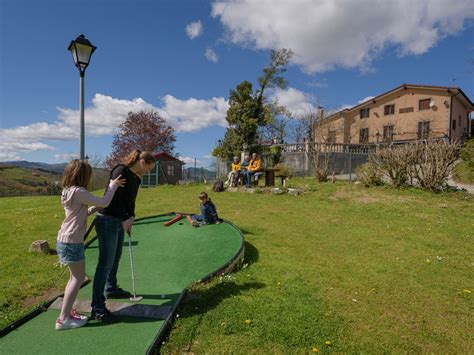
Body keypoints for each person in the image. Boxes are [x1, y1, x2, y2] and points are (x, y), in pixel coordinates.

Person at [55, 159, 125, 331]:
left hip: (64, 238)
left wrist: (92, 209)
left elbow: (78, 212)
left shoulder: (67, 191)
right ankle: (63, 319)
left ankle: (67, 312)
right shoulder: (79, 191)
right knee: (78, 278)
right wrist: (113, 185)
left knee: (74, 278)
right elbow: (105, 202)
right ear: (82, 176)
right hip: (72, 240)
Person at [90, 150, 155, 322]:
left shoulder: (137, 179)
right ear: (142, 161)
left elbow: (130, 201)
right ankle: (97, 307)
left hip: (119, 221)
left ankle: (111, 288)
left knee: (116, 257)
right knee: (105, 263)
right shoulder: (120, 171)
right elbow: (114, 199)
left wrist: (131, 217)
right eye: (149, 167)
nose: (148, 171)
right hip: (107, 220)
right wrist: (125, 218)